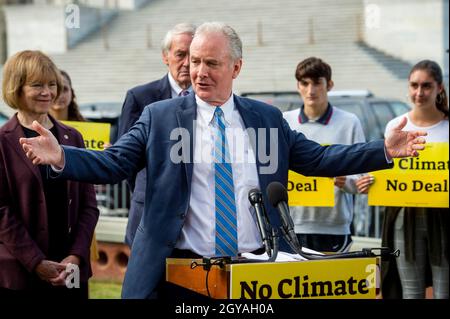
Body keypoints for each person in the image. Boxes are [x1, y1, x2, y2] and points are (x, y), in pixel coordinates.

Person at [19, 22, 427, 299]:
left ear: (236, 67)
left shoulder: (265, 118)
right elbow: (115, 162)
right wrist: (63, 157)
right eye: (195, 61)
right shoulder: (160, 117)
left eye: (211, 63)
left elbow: (318, 157)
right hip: (178, 272)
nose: (199, 72)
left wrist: (384, 150)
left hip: (253, 273)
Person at [0, 50, 99, 298]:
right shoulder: (2, 142)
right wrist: (36, 262)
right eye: (37, 85)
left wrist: (76, 255)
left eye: (52, 84)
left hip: (71, 271)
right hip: (21, 273)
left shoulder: (73, 136)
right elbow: (2, 211)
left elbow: (88, 205)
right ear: (17, 88)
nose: (47, 92)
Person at [118, 23, 196, 247]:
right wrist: (146, 191)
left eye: (193, 55)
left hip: (197, 220)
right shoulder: (140, 97)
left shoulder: (209, 99)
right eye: (181, 54)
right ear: (166, 56)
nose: (187, 63)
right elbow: (127, 160)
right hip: (149, 213)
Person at [283, 57, 371, 252]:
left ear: (329, 85)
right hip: (292, 225)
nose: (310, 90)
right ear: (297, 86)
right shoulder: (285, 121)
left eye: (317, 83)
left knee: (329, 282)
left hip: (334, 227)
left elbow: (362, 178)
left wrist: (346, 181)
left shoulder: (349, 122)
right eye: (304, 83)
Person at [378, 60, 448, 299]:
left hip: (444, 219)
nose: (419, 92)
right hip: (403, 220)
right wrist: (368, 183)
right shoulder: (396, 126)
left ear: (440, 87)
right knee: (410, 292)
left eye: (427, 86)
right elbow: (385, 171)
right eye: (414, 85)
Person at [50, 69, 100, 263]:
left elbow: (96, 172)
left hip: (80, 204)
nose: (60, 95)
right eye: (57, 88)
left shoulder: (84, 128)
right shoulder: (38, 128)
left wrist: (108, 155)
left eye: (65, 89)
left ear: (72, 92)